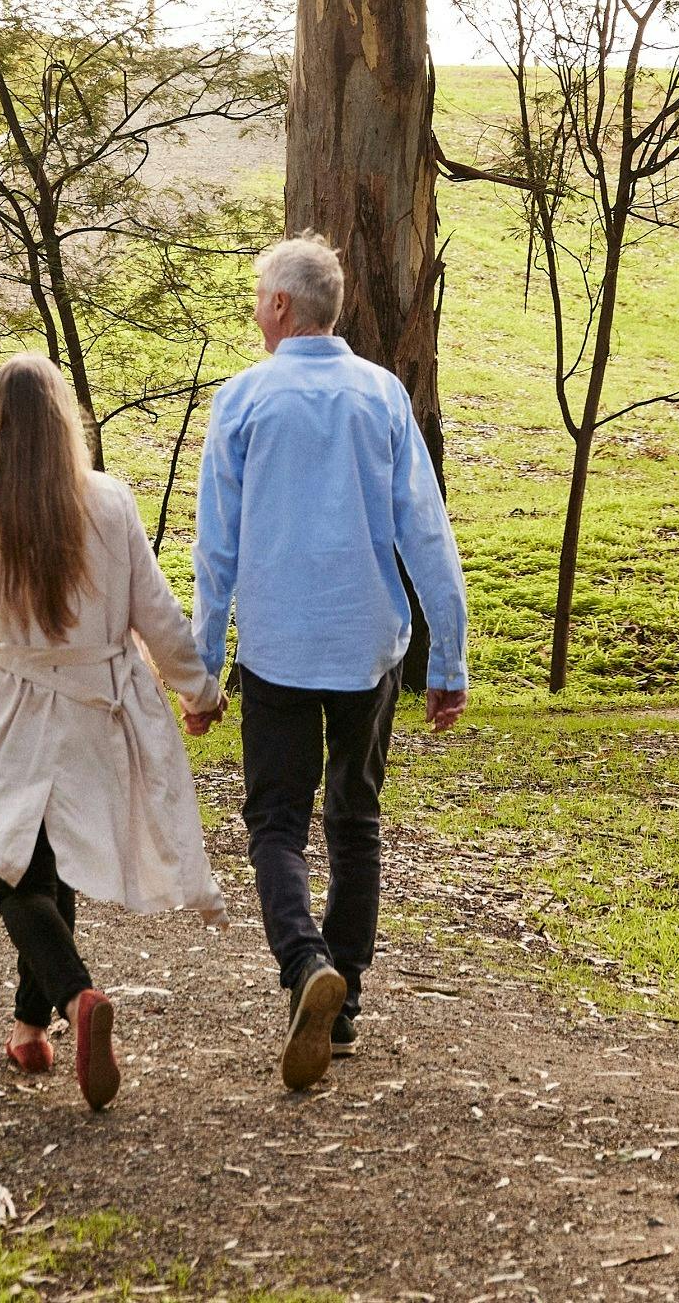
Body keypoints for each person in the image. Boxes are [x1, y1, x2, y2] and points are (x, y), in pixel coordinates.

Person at [181, 232, 471, 1091]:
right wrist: (445, 658)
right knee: (354, 819)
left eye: (256, 298)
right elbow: (426, 531)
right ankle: (340, 1010)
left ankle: (306, 961)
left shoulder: (241, 401)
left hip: (276, 649)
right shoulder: (381, 395)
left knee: (275, 822)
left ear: (279, 306)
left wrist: (200, 675)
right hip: (365, 648)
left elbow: (215, 554)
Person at [0, 354, 219, 1112]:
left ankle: (76, 1002)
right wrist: (197, 689)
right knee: (47, 864)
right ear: (62, 423)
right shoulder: (108, 502)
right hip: (88, 714)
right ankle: (26, 1029)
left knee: (15, 876)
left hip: (4, 712)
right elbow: (156, 612)